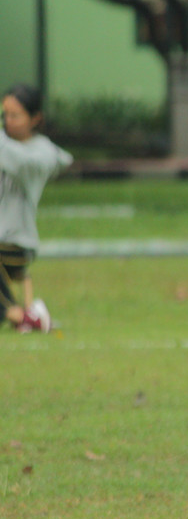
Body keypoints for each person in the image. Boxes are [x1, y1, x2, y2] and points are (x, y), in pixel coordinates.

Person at [0, 84, 73, 333]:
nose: (8, 121)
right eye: (5, 114)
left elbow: (20, 163)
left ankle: (19, 316)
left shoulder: (43, 153)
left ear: (35, 118)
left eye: (15, 115)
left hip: (16, 243)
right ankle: (25, 317)